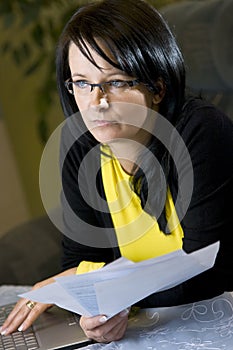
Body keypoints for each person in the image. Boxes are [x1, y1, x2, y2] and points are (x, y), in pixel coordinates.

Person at [1, 0, 233, 343]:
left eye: (117, 81)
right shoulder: (80, 148)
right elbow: (81, 259)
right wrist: (93, 309)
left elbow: (206, 272)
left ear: (157, 87)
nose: (97, 102)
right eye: (82, 82)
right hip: (153, 325)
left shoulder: (202, 131)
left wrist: (112, 297)